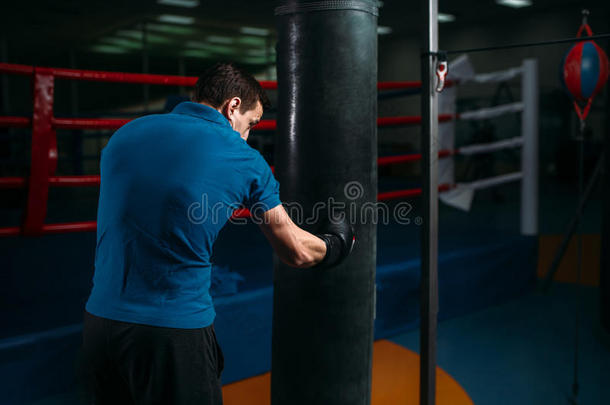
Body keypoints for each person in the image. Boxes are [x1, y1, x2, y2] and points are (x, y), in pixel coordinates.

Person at [81, 62, 354, 405]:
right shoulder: (242, 157)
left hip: (99, 325)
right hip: (172, 331)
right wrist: (336, 245)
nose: (247, 135)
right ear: (233, 106)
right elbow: (296, 250)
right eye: (250, 124)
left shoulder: (126, 134)